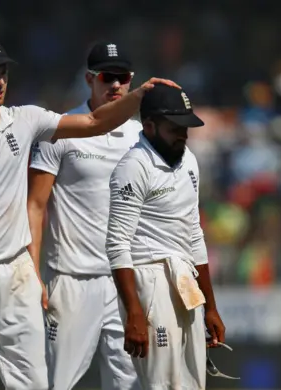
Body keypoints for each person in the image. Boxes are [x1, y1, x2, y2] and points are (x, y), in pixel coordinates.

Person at [0, 37, 178, 390]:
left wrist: (141, 95)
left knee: (34, 383)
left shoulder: (26, 120)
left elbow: (95, 122)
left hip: (17, 270)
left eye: (3, 72)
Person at [27, 42, 141, 390]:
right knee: (57, 383)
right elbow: (35, 205)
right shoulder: (61, 130)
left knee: (131, 384)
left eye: (122, 78)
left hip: (127, 281)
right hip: (72, 280)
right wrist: (33, 274)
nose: (116, 85)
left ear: (132, 80)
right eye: (108, 77)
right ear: (90, 79)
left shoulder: (140, 135)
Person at [105, 83, 226, 389]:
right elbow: (117, 244)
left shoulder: (188, 161)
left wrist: (210, 306)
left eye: (185, 127)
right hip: (149, 281)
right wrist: (133, 311)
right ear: (149, 126)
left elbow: (194, 234)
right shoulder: (133, 167)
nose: (183, 134)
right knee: (160, 384)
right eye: (175, 128)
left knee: (192, 383)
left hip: (185, 280)